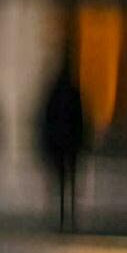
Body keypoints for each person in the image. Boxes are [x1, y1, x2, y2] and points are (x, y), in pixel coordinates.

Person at [39, 54, 84, 232]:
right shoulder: (71, 92)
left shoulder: (56, 92)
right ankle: (66, 217)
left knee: (60, 184)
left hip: (61, 144)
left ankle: (61, 217)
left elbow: (46, 120)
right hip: (67, 145)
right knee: (66, 184)